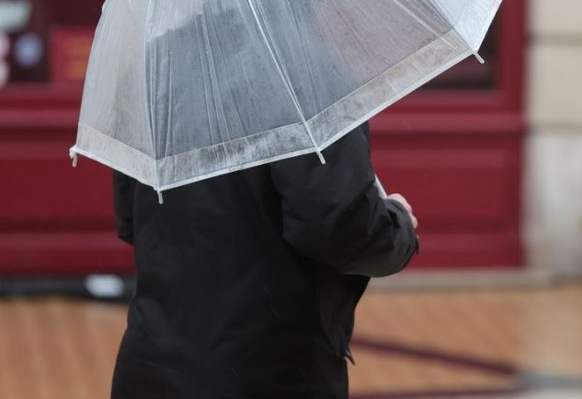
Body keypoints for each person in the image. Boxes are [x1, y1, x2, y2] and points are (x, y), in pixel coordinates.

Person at [109, 123, 419, 399]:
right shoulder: (302, 75)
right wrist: (397, 222)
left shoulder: (152, 73)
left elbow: (130, 218)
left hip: (153, 365)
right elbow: (342, 231)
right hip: (267, 368)